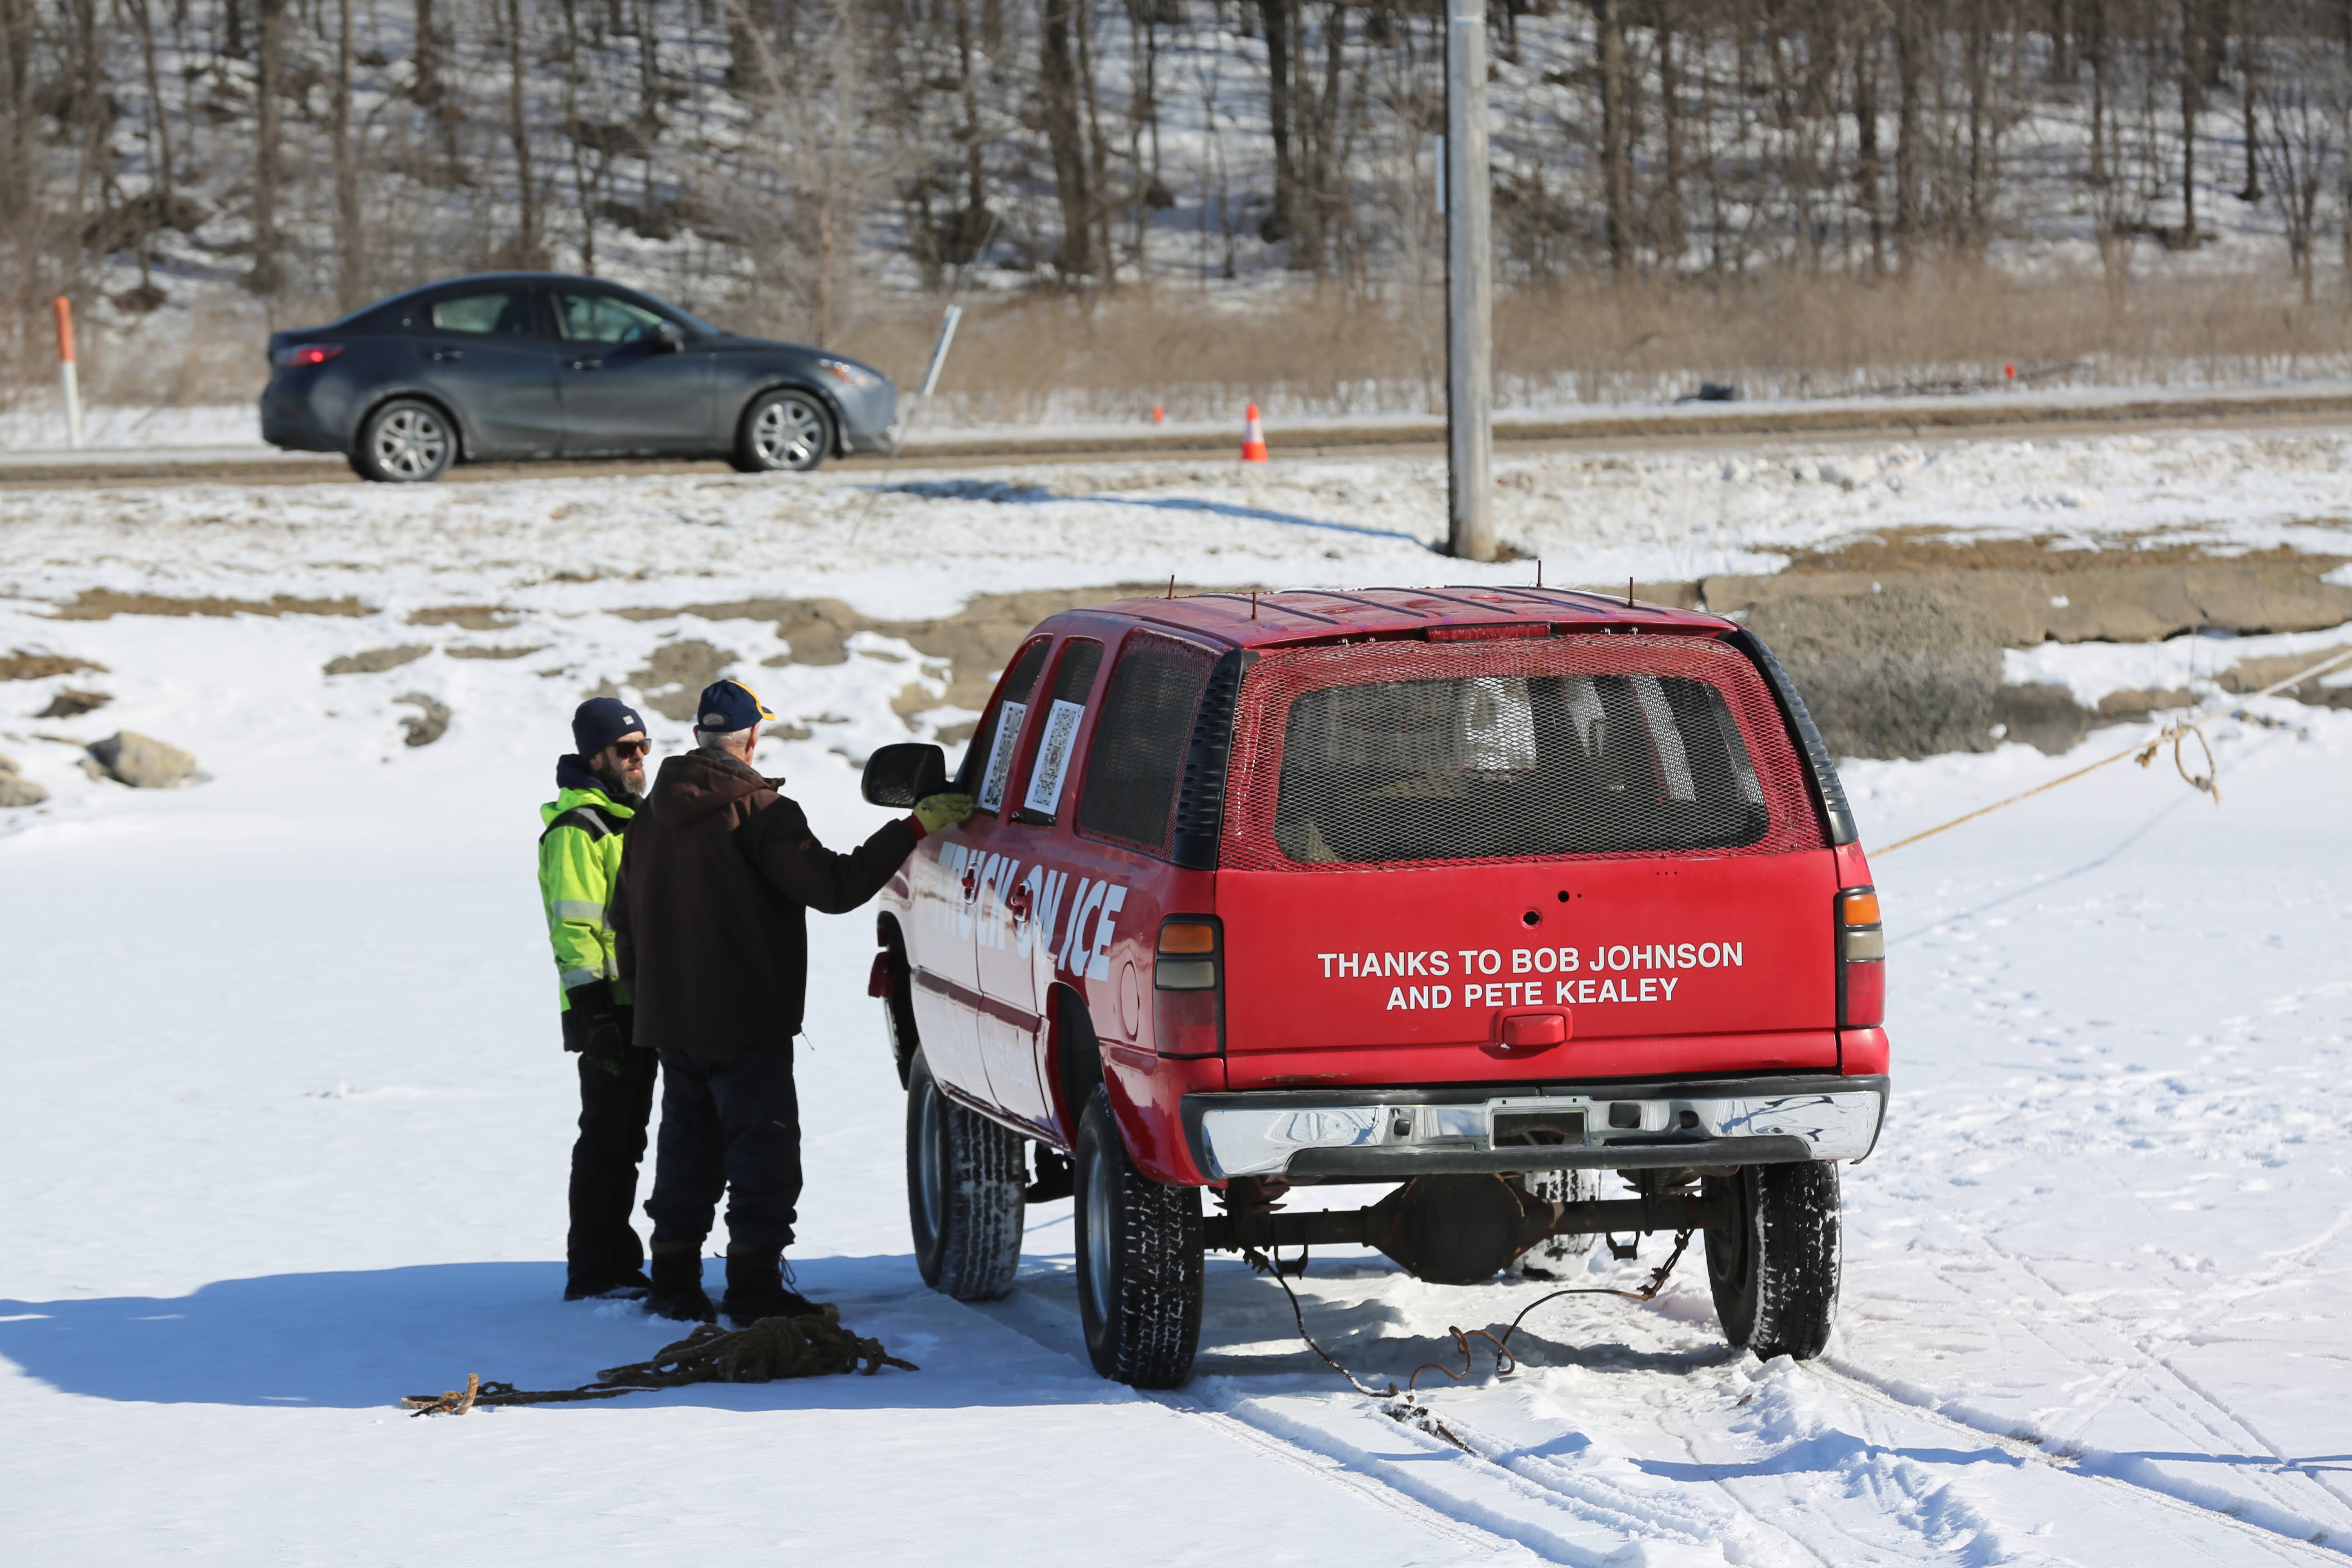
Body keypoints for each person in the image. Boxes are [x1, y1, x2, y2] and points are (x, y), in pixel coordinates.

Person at [611, 678, 972, 1324]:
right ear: (753, 737)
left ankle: (673, 1282)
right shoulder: (763, 813)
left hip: (673, 1022)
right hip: (747, 1021)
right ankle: (753, 1288)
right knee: (763, 1155)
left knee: (687, 1150)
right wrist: (916, 826)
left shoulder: (648, 818)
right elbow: (835, 887)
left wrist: (650, 1004)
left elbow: (622, 920)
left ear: (697, 737)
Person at [539, 696, 657, 1301]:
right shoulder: (578, 829)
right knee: (606, 1139)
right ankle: (591, 1271)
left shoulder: (630, 818)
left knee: (628, 1139)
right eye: (626, 749)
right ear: (595, 756)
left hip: (642, 1002)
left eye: (644, 747)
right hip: (606, 1007)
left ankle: (619, 1262)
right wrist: (593, 1013)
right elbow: (573, 927)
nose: (638, 758)